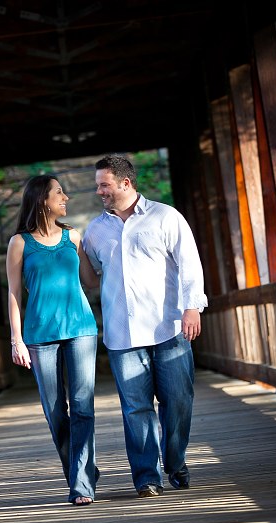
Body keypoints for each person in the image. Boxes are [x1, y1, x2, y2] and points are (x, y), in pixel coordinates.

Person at [82, 155, 207, 498]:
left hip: (169, 327)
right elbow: (90, 278)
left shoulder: (166, 217)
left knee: (178, 400)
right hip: (122, 334)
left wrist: (192, 307)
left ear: (126, 183)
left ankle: (175, 460)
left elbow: (190, 265)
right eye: (98, 185)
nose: (99, 191)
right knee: (135, 409)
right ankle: (146, 477)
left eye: (104, 185)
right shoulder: (95, 230)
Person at [6, 174, 100, 506]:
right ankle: (84, 469)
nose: (66, 197)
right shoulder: (20, 243)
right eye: (59, 193)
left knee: (83, 405)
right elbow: (15, 294)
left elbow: (92, 280)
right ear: (42, 200)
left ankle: (81, 482)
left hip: (81, 330)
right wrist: (16, 340)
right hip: (40, 335)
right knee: (55, 411)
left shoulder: (73, 237)